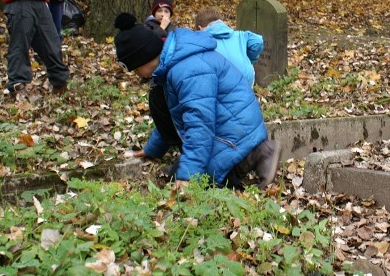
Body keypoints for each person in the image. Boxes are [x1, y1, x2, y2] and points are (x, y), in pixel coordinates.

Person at [113, 12, 280, 188]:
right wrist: (151, 149)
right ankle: (242, 160)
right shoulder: (174, 63)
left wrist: (188, 174)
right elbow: (172, 115)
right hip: (230, 127)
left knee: (194, 182)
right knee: (176, 172)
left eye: (135, 69)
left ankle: (256, 155)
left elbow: (199, 122)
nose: (136, 75)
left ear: (143, 59)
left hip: (237, 133)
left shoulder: (188, 70)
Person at [194, 7, 263, 86]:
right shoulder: (240, 35)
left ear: (200, 28)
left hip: (222, 84)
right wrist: (250, 59)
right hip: (245, 80)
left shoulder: (201, 41)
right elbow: (258, 41)